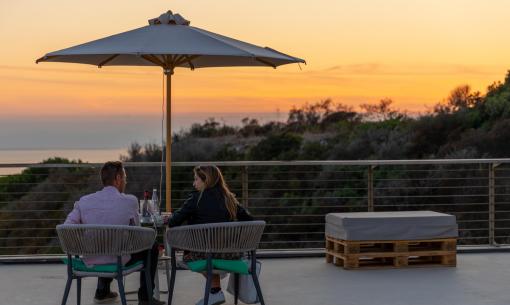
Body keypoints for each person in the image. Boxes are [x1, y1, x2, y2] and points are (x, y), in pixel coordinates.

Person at [64, 161, 165, 305]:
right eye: (124, 177)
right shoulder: (130, 201)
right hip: (118, 259)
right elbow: (136, 235)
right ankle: (145, 297)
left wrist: (84, 241)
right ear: (118, 178)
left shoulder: (83, 201)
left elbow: (67, 228)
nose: (125, 181)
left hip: (91, 258)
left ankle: (102, 291)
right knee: (151, 246)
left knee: (105, 243)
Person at [167, 165, 254, 305]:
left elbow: (173, 222)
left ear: (205, 180)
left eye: (196, 179)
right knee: (211, 251)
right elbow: (250, 220)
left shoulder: (196, 199)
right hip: (230, 255)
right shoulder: (230, 199)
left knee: (199, 254)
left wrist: (171, 217)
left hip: (202, 255)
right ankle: (215, 291)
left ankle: (215, 291)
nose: (193, 183)